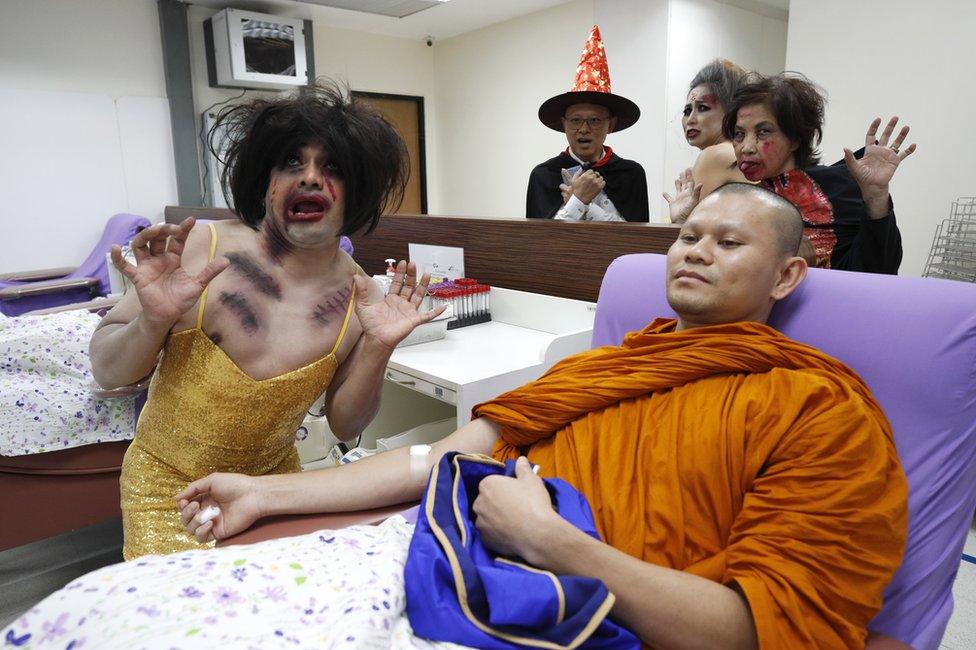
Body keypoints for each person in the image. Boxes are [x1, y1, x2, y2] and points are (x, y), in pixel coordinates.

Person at [180, 184, 907, 648]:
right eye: (688, 237)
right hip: (459, 573)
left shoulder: (819, 409)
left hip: (584, 619)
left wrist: (552, 541)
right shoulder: (600, 368)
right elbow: (439, 460)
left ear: (786, 275)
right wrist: (266, 491)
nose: (695, 253)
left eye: (728, 242)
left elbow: (766, 629)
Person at [89, 82, 442, 559]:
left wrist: (379, 348)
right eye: (292, 163)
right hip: (167, 494)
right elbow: (108, 371)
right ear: (266, 180)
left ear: (355, 188)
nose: (311, 178)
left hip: (276, 495)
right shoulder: (202, 249)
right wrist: (151, 321)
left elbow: (345, 424)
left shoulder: (361, 297)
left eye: (331, 166)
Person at [724, 73, 914, 272]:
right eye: (739, 134)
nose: (746, 147)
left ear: (795, 138)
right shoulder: (740, 202)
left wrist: (876, 196)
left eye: (763, 132)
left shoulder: (837, 191)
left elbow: (877, 272)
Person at [526, 25, 649, 222]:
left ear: (611, 124)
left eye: (594, 120)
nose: (584, 129)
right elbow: (539, 241)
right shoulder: (544, 175)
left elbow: (635, 240)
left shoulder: (630, 174)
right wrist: (580, 200)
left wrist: (582, 204)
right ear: (563, 124)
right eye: (575, 120)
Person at [664, 59, 751, 224]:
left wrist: (679, 219)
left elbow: (690, 233)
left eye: (703, 108)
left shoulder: (715, 155)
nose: (690, 119)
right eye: (687, 110)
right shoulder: (739, 152)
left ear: (732, 111)